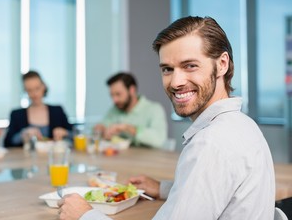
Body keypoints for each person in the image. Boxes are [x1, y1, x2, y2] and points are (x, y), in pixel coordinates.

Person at [57, 16, 276, 219]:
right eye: (167, 69)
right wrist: (165, 188)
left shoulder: (211, 143)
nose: (175, 82)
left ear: (222, 64)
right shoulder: (243, 125)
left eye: (190, 65)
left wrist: (85, 215)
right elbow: (220, 190)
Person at [93, 72, 167, 148]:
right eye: (112, 95)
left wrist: (127, 128)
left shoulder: (154, 109)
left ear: (132, 90)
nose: (114, 100)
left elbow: (159, 140)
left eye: (118, 94)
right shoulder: (115, 109)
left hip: (150, 159)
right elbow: (103, 125)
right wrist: (100, 129)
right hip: (122, 158)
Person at [4, 70, 72, 147]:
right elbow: (7, 142)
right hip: (26, 158)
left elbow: (74, 135)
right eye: (29, 90)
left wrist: (65, 132)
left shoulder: (57, 111)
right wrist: (23, 134)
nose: (34, 93)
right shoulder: (16, 114)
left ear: (44, 86)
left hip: (54, 157)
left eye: (37, 88)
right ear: (25, 91)